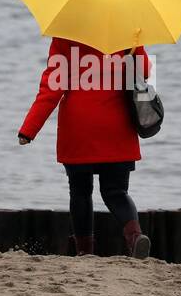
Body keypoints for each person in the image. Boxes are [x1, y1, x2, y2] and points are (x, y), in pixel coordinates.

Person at [18, 37, 151, 258]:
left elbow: (52, 86)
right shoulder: (126, 32)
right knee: (116, 192)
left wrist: (29, 129)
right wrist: (135, 47)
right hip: (116, 127)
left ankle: (84, 252)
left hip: (79, 127)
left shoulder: (66, 35)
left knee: (80, 192)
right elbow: (144, 71)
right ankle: (135, 237)